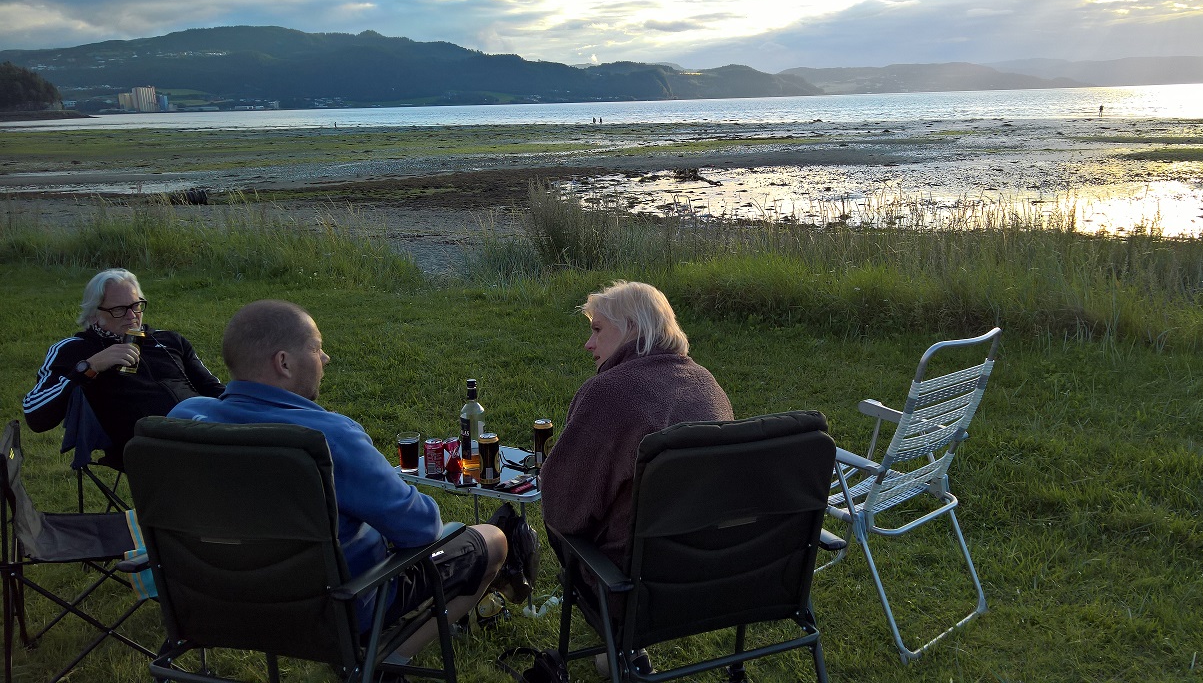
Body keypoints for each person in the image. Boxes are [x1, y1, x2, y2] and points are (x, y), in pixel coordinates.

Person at [168, 300, 506, 653]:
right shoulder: (328, 437)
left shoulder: (181, 421)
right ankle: (381, 661)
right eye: (316, 348)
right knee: (493, 539)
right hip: (332, 608)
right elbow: (421, 528)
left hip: (218, 605)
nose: (325, 358)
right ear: (284, 363)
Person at [541, 280, 734, 577]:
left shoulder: (608, 393)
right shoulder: (708, 385)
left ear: (631, 328)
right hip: (713, 572)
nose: (589, 344)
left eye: (597, 329)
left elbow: (563, 510)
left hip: (630, 581)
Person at [23, 268, 226, 469]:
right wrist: (91, 366)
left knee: (243, 439)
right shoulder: (74, 350)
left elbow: (212, 387)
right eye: (119, 309)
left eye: (136, 306)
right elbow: (35, 415)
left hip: (204, 429)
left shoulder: (168, 340)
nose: (132, 316)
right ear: (94, 315)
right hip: (153, 449)